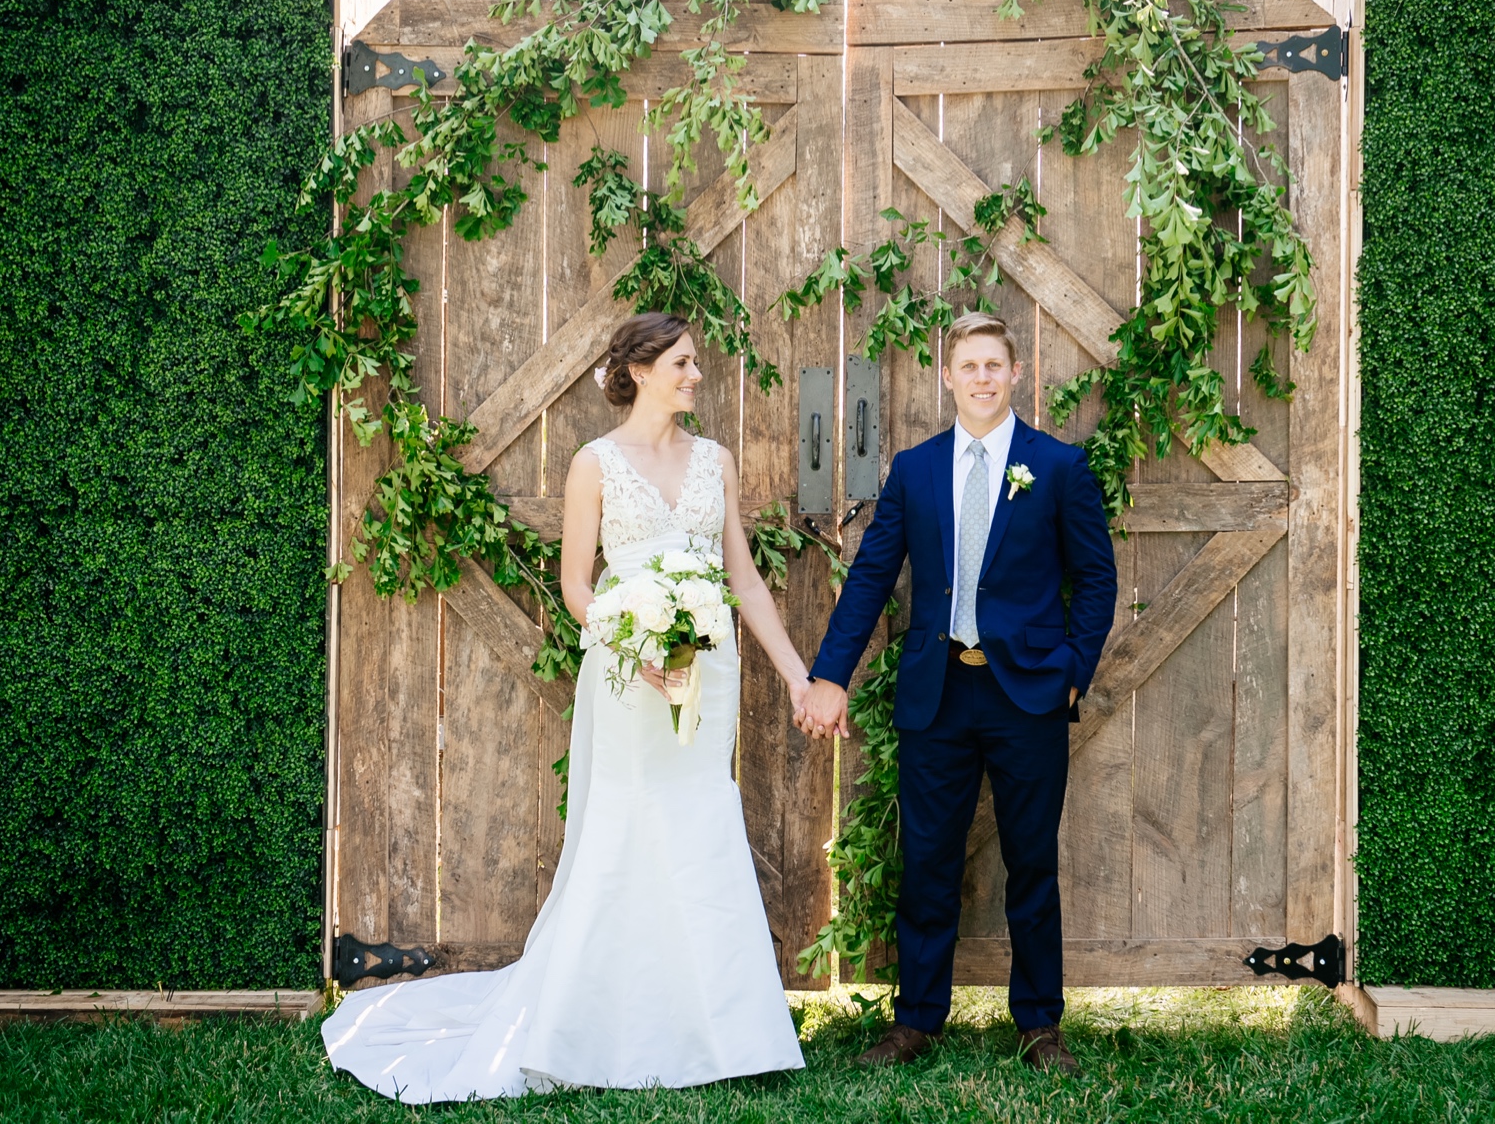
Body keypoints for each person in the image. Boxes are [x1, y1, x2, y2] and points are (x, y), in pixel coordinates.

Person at [322, 312, 811, 1099]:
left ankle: (724, 1035)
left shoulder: (714, 461)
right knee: (625, 827)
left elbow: (745, 580)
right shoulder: (594, 464)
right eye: (683, 363)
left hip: (706, 674)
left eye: (695, 364)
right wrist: (636, 644)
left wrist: (792, 673)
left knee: (701, 821)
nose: (696, 375)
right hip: (628, 675)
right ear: (642, 369)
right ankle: (589, 1027)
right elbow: (578, 587)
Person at [798, 311, 1118, 1074]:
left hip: (1028, 695)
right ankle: (916, 1022)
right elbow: (874, 574)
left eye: (992, 366)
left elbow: (1096, 579)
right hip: (936, 695)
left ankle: (1040, 1025)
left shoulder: (1058, 467)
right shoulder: (914, 468)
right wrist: (830, 674)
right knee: (929, 863)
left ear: (1015, 375)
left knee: (1032, 864)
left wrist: (1074, 668)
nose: (980, 378)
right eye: (966, 366)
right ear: (947, 377)